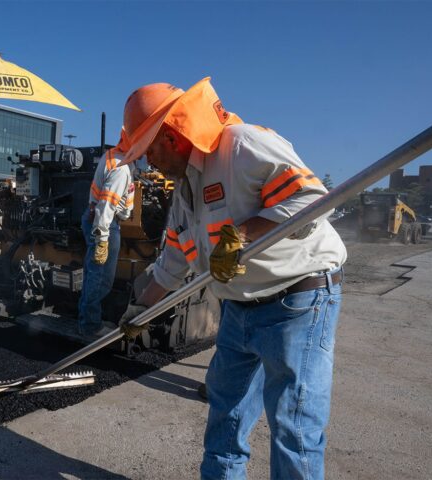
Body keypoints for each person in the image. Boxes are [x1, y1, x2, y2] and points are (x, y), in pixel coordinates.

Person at [117, 79, 347, 480]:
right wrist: (140, 310)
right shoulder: (183, 195)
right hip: (238, 309)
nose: (147, 163)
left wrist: (240, 233)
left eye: (148, 150)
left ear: (171, 136)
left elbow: (313, 201)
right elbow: (172, 264)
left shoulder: (241, 146)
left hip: (297, 301)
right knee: (226, 417)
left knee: (294, 427)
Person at [77, 130, 136, 336]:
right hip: (106, 224)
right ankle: (91, 325)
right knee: (101, 277)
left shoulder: (110, 156)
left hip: (93, 217)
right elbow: (107, 204)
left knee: (93, 273)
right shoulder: (122, 168)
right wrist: (102, 237)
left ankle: (86, 319)